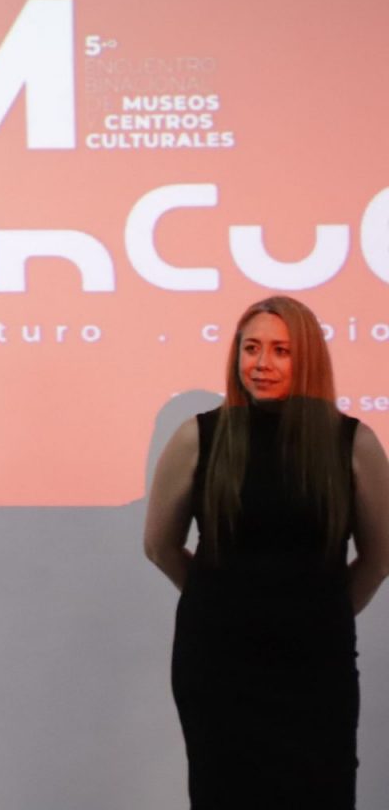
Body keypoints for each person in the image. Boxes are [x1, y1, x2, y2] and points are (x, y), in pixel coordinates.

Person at [144, 296, 389, 808]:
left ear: (308, 359)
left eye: (281, 350)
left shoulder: (353, 443)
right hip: (218, 667)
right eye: (251, 348)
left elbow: (380, 556)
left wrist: (319, 612)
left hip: (316, 666)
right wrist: (222, 603)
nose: (262, 363)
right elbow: (159, 545)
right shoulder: (199, 437)